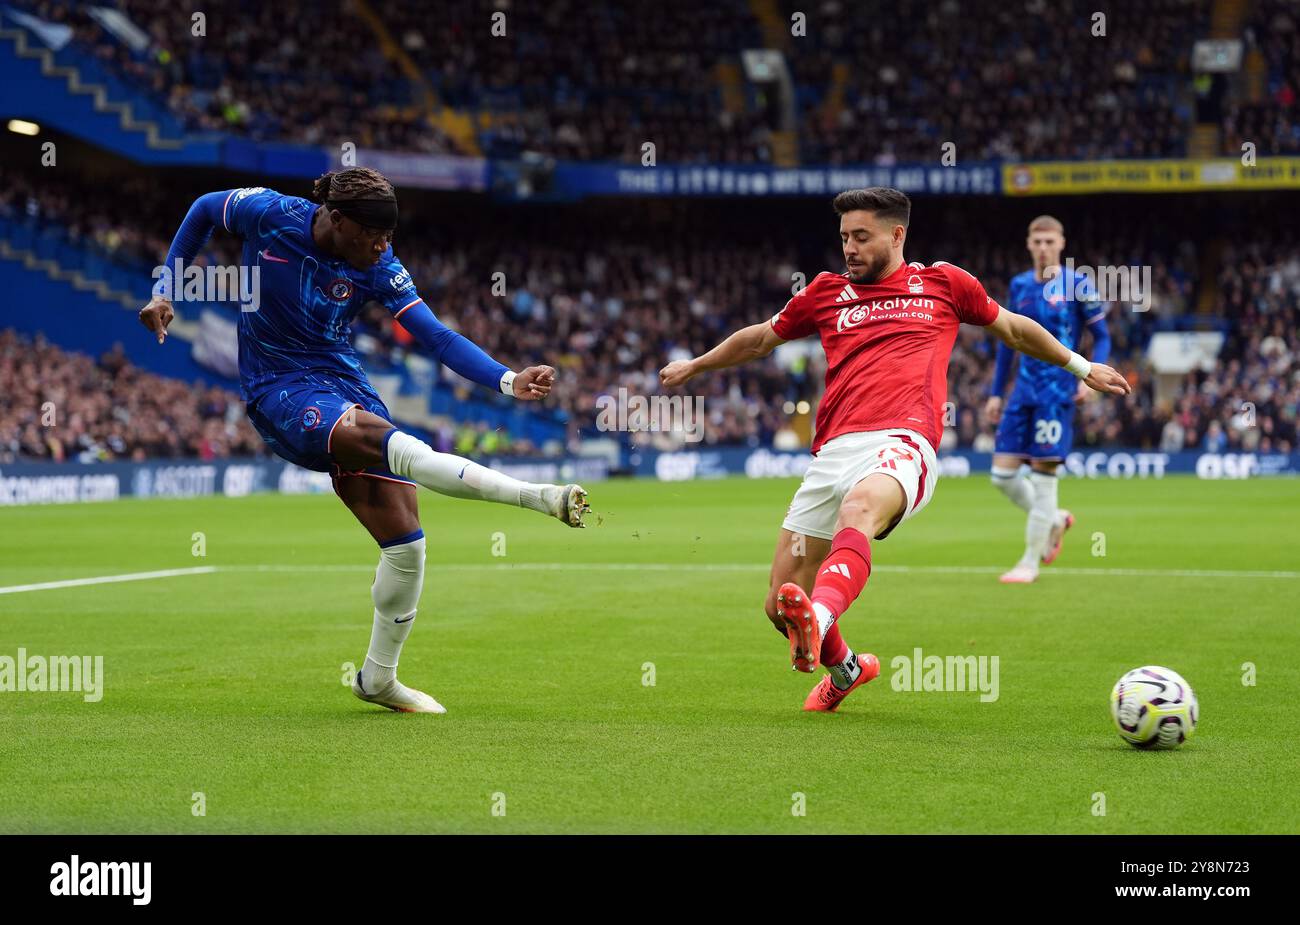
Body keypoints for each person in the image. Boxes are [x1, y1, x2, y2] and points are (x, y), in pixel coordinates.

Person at [138, 167, 590, 714]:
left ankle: (377, 679)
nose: (383, 247)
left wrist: (507, 379)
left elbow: (438, 337)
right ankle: (538, 496)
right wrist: (165, 289)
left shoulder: (381, 267)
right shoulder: (272, 214)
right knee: (387, 439)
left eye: (389, 237)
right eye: (374, 236)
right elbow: (206, 207)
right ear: (337, 220)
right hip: (278, 388)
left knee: (406, 545)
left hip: (343, 382)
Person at [660, 188, 1129, 713]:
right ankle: (847, 668)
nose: (850, 249)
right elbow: (760, 339)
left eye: (861, 237)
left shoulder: (944, 284)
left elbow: (1015, 330)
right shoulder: (824, 292)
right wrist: (695, 366)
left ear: (897, 234)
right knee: (776, 605)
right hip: (833, 451)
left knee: (857, 512)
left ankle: (821, 613)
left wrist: (1083, 367)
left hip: (903, 443)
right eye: (844, 238)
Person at [984, 215, 1112, 583]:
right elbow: (1010, 341)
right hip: (1022, 392)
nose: (1043, 248)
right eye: (1036, 242)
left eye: (1049, 242)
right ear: (1028, 245)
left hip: (1058, 392)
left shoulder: (1079, 285)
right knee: (1001, 476)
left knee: (1043, 478)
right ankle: (1054, 519)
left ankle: (1029, 562)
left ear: (1061, 243)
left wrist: (1088, 374)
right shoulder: (1019, 285)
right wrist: (996, 392)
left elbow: (1101, 335)